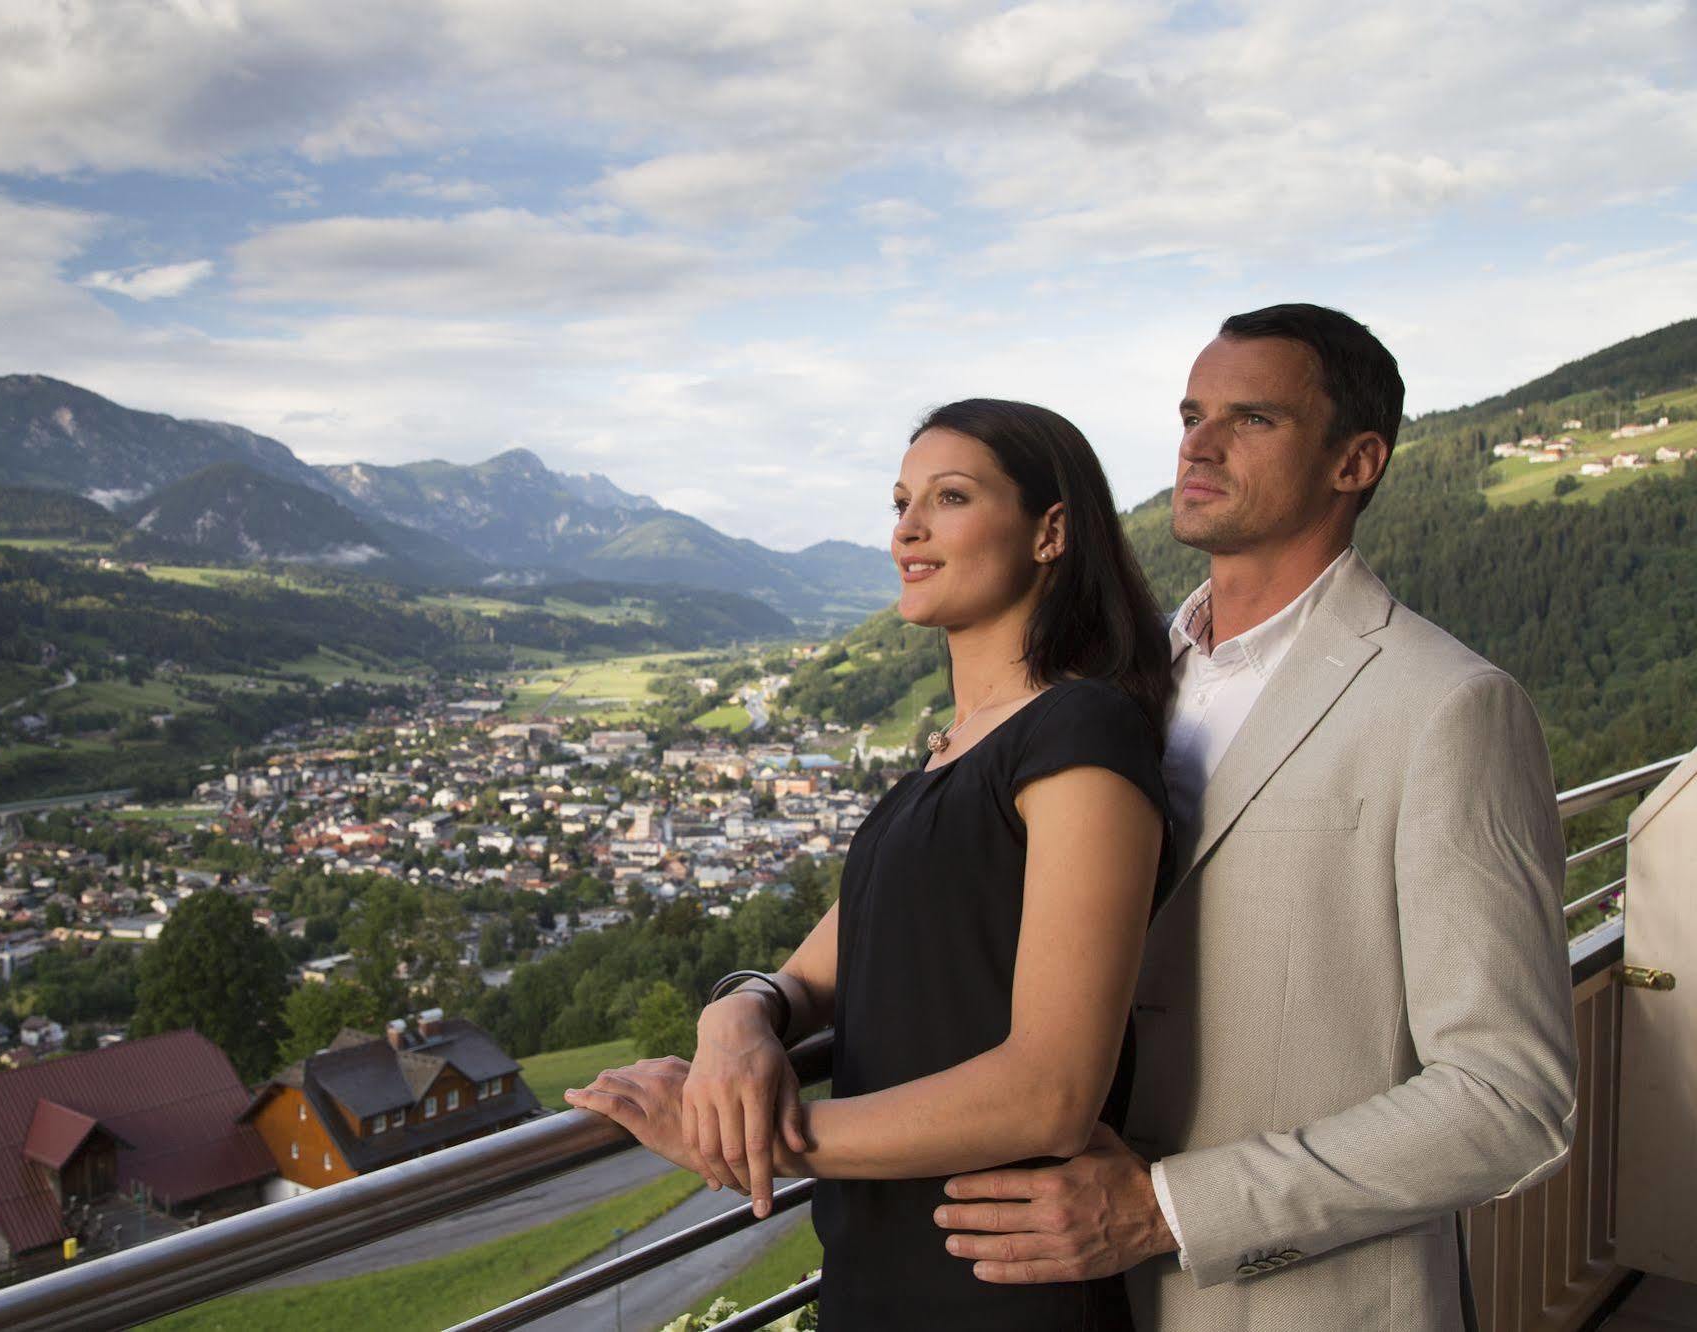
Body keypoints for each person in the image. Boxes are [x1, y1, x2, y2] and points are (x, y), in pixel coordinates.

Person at [930, 305, 1579, 1330]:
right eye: (1192, 412)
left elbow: (1507, 1101)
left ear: (1354, 462)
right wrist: (758, 1004)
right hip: (1071, 1299)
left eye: (1253, 419)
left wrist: (1164, 1211)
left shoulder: (1448, 706)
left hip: (1305, 1304)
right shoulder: (1107, 686)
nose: (1199, 441)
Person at [565, 398, 1175, 1329]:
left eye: (951, 497)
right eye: (900, 503)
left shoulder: (1081, 732)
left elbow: (1049, 1094)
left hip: (998, 1289)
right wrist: (735, 1014)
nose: (907, 530)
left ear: (1051, 531)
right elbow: (808, 977)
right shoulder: (948, 758)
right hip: (878, 1270)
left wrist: (740, 1139)